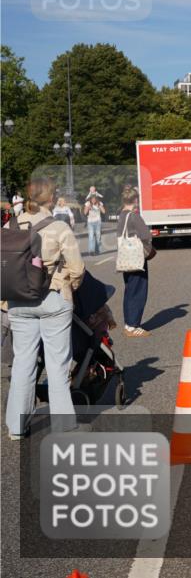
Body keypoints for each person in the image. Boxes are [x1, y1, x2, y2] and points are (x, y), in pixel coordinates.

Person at [4, 176, 86, 438]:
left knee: (23, 363)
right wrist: (70, 287)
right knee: (57, 366)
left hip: (18, 301)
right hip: (53, 298)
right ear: (51, 198)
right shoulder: (59, 227)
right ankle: (63, 426)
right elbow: (77, 268)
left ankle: (16, 427)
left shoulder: (10, 225)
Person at [118, 188, 156, 337]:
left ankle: (128, 324)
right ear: (135, 200)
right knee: (139, 291)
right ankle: (133, 326)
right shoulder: (134, 216)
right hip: (136, 258)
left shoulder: (122, 216)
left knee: (129, 291)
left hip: (126, 258)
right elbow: (146, 236)